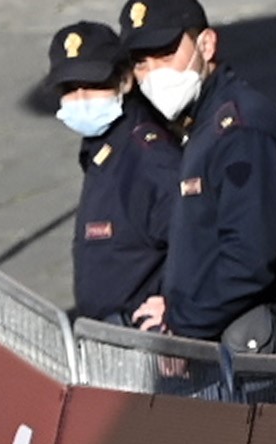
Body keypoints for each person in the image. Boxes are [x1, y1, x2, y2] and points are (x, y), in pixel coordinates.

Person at [120, 0, 276, 350]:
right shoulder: (204, 125)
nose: (154, 73)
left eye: (166, 55)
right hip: (222, 336)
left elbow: (249, 257)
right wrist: (174, 307)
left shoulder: (240, 131)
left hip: (256, 349)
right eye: (141, 63)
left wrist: (182, 322)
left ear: (206, 45)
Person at [45, 20, 180, 325]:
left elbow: (196, 245)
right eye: (69, 88)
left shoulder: (150, 159)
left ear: (125, 80)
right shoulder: (102, 152)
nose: (81, 99)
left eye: (93, 85)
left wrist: (176, 309)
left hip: (149, 341)